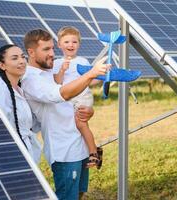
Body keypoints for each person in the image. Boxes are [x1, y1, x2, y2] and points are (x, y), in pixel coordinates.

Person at [21, 29, 110, 200]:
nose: (53, 54)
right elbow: (62, 94)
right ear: (31, 52)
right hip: (64, 150)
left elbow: (72, 100)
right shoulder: (31, 80)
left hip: (79, 143)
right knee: (67, 196)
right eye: (46, 49)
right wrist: (91, 73)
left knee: (79, 193)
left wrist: (89, 111)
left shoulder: (50, 72)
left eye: (53, 48)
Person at [53, 26, 102, 169]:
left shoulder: (83, 61)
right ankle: (88, 150)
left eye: (74, 42)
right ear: (59, 44)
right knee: (73, 127)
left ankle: (94, 153)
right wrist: (62, 70)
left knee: (81, 123)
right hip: (67, 99)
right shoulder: (56, 63)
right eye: (67, 42)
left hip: (82, 96)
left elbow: (90, 80)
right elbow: (57, 83)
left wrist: (102, 77)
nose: (70, 45)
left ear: (79, 44)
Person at [0, 44, 42, 164]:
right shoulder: (0, 92)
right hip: (12, 156)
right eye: (14, 58)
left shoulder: (20, 88)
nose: (22, 61)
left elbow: (28, 124)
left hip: (27, 150)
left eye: (23, 57)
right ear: (2, 65)